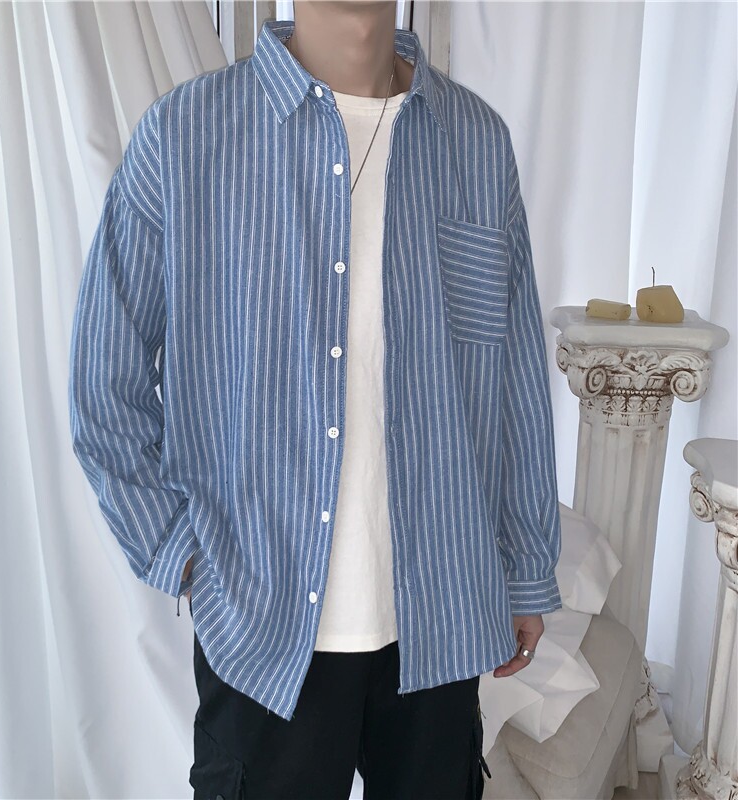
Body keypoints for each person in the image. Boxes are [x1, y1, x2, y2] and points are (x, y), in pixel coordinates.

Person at [68, 1, 563, 797]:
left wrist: (525, 566)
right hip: (263, 632)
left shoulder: (475, 141)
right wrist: (187, 555)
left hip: (441, 617)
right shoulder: (186, 137)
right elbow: (104, 383)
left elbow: (515, 382)